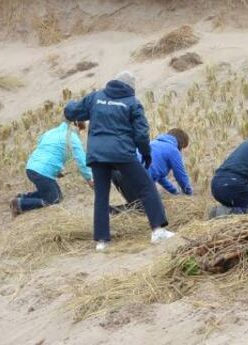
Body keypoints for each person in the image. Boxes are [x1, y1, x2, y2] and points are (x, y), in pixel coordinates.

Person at [64, 70, 174, 251]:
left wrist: (69, 105)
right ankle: (157, 230)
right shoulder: (132, 103)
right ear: (131, 87)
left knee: (101, 196)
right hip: (122, 154)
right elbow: (141, 133)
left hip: (97, 155)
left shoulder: (95, 98)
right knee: (146, 187)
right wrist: (146, 153)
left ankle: (102, 241)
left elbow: (73, 112)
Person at [10, 121, 93, 216]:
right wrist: (89, 179)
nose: (80, 132)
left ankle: (23, 197)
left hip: (31, 167)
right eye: (81, 129)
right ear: (76, 125)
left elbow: (47, 149)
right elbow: (82, 162)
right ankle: (18, 204)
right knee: (53, 200)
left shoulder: (51, 132)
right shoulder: (72, 138)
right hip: (42, 173)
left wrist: (56, 171)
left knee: (57, 195)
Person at [110, 128, 193, 214]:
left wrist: (175, 192)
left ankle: (110, 211)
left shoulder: (155, 144)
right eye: (182, 147)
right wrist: (189, 194)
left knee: (137, 205)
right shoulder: (173, 150)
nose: (181, 150)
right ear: (180, 143)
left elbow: (160, 178)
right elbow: (181, 176)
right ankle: (109, 211)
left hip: (117, 172)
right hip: (132, 175)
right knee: (146, 210)